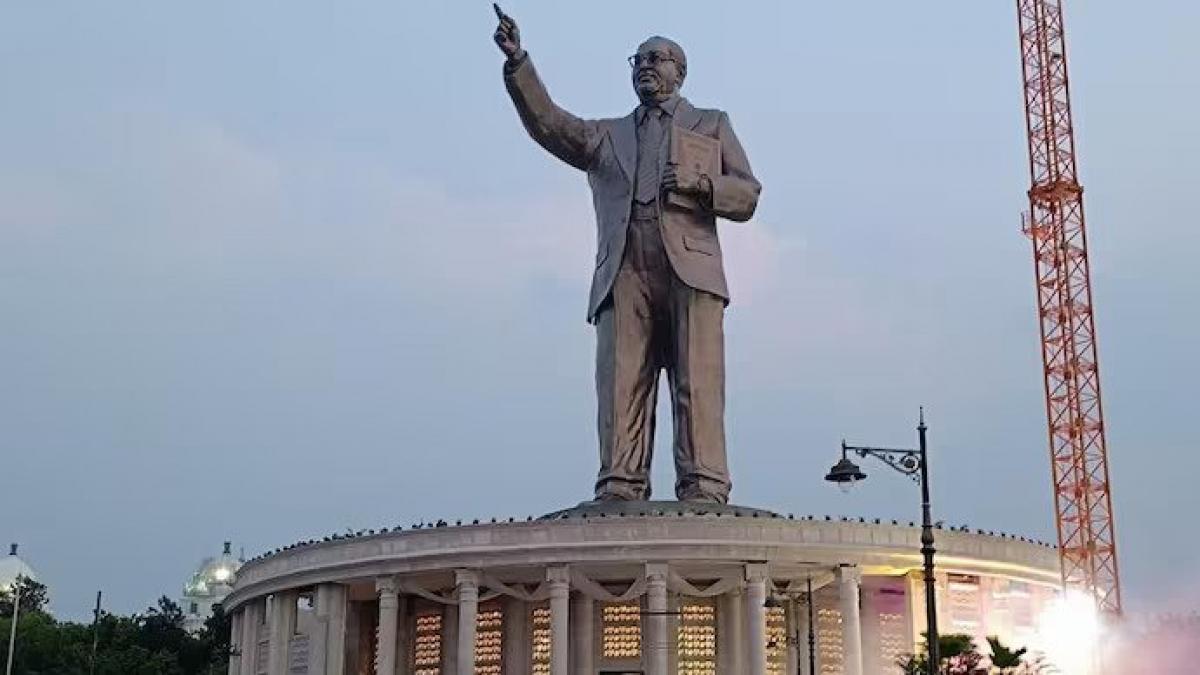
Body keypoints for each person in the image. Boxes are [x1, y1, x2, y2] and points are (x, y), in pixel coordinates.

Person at [494, 6, 761, 503]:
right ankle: (620, 482)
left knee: (697, 381)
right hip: (624, 265)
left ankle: (704, 484)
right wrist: (519, 64)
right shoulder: (605, 136)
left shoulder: (711, 124)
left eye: (658, 59)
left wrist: (701, 184)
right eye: (639, 59)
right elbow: (550, 125)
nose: (646, 66)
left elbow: (748, 195)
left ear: (679, 73)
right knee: (621, 382)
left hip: (690, 266)